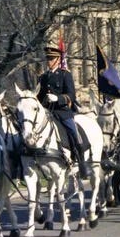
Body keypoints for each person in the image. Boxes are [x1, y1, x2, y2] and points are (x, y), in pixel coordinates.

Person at [37, 46, 91, 176]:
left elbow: (71, 95)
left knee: (74, 133)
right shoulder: (43, 77)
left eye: (51, 59)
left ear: (58, 59)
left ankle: (81, 162)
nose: (49, 61)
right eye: (48, 59)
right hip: (47, 111)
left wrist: (58, 98)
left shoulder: (65, 74)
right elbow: (39, 96)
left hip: (62, 111)